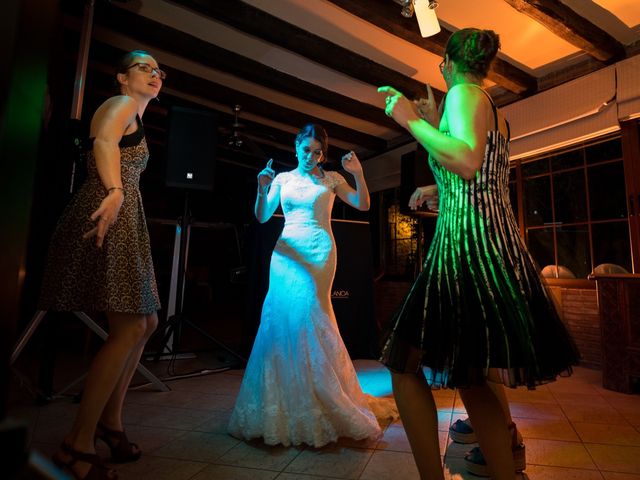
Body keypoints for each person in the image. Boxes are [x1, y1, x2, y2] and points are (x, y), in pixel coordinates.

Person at [378, 28, 579, 480]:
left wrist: (412, 120)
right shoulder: (481, 103)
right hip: (487, 240)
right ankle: (505, 458)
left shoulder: (465, 94)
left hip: (469, 248)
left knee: (403, 361)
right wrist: (436, 185)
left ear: (448, 64)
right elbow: (481, 175)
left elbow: (467, 161)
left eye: (441, 67)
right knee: (470, 370)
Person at [39, 50, 165, 480]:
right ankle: (77, 445)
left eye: (157, 71)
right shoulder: (121, 104)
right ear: (121, 77)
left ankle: (111, 423)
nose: (154, 74)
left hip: (126, 214)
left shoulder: (138, 116)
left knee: (144, 323)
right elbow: (104, 141)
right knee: (129, 326)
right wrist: (113, 191)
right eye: (144, 67)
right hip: (108, 210)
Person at [228, 124, 394, 447]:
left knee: (312, 317)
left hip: (319, 253)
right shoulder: (283, 179)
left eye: (317, 151)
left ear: (323, 153)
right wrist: (262, 189)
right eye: (306, 149)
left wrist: (358, 174)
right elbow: (262, 217)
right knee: (280, 322)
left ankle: (321, 399)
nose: (310, 156)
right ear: (296, 147)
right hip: (286, 255)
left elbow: (363, 204)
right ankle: (285, 405)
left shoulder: (331, 179)